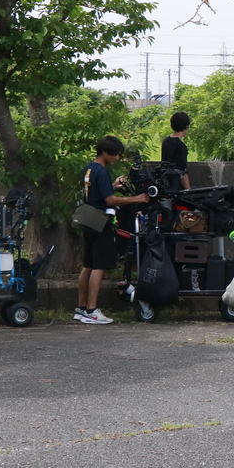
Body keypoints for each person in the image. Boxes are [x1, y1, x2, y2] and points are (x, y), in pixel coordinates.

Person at [76, 136, 150, 324]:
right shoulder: (101, 171)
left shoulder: (89, 169)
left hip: (88, 220)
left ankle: (81, 309)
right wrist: (137, 198)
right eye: (115, 154)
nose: (117, 157)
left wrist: (113, 186)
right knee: (99, 266)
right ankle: (92, 310)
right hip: (101, 222)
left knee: (88, 265)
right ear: (104, 152)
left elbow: (96, 193)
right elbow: (109, 200)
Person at [161, 111, 192, 190]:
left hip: (168, 185)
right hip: (178, 187)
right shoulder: (180, 145)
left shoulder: (166, 141)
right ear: (186, 126)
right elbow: (182, 171)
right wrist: (188, 190)